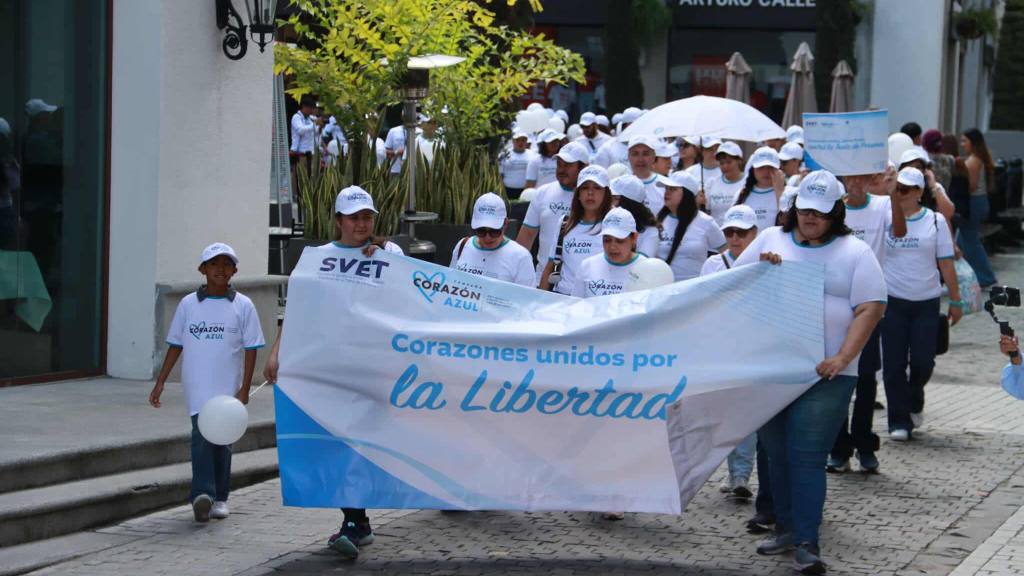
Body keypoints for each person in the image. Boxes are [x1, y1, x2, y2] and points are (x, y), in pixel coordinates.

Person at [735, 170, 887, 573]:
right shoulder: (770, 240)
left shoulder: (856, 252)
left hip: (827, 374)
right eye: (804, 210)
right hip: (773, 367)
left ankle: (807, 539)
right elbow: (730, 286)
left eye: (819, 212)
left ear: (836, 212)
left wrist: (842, 357)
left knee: (805, 454)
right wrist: (760, 270)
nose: (810, 218)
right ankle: (784, 525)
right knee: (775, 450)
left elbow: (871, 308)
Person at [263, 185, 403, 559]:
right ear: (338, 220)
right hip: (332, 368)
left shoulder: (390, 254)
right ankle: (354, 521)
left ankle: (360, 519)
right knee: (342, 441)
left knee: (370, 443)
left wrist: (390, 258)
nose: (362, 224)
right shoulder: (315, 258)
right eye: (354, 217)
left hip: (376, 367)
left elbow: (413, 297)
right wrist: (277, 352)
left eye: (367, 217)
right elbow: (297, 310)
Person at [149, 243, 265, 523]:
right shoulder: (188, 304)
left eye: (227, 264)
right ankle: (203, 494)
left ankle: (220, 497)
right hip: (198, 385)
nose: (221, 269)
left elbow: (252, 349)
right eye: (214, 264)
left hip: (227, 386)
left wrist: (245, 388)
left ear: (234, 270)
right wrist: (161, 381)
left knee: (222, 440)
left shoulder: (243, 305)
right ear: (203, 270)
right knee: (201, 436)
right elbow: (175, 345)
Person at [826, 172, 907, 474]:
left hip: (869, 305)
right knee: (838, 376)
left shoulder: (883, 204)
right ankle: (838, 447)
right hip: (837, 306)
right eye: (851, 179)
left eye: (863, 178)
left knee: (866, 379)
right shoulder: (835, 210)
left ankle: (863, 443)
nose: (856, 184)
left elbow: (898, 232)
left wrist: (895, 195)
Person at [882, 167, 965, 442]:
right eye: (897, 188)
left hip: (926, 302)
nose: (900, 194)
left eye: (905, 189)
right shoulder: (884, 216)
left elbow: (945, 262)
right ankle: (899, 420)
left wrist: (955, 299)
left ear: (918, 192)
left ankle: (914, 397)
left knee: (922, 362)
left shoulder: (936, 221)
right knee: (893, 364)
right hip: (892, 300)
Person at [698, 205, 762, 501]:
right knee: (722, 414)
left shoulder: (766, 261)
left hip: (752, 349)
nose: (735, 238)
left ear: (754, 234)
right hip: (718, 347)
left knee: (745, 412)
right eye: (730, 232)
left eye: (742, 233)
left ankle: (740, 474)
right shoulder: (713, 264)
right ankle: (731, 468)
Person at [517, 142, 590, 281]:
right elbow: (527, 234)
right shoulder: (542, 193)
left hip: (580, 284)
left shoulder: (595, 198)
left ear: (584, 167)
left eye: (568, 165)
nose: (562, 170)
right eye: (559, 164)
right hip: (543, 280)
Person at [539, 165, 613, 295]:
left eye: (597, 187)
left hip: (597, 300)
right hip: (564, 298)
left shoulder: (613, 223)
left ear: (606, 193)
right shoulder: (565, 222)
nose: (590, 193)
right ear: (578, 194)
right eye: (585, 188)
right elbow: (550, 265)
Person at [451, 193, 535, 287]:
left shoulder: (521, 256)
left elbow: (527, 298)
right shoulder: (463, 245)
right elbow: (450, 284)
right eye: (481, 231)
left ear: (505, 224)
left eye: (494, 231)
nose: (488, 237)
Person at [656, 170, 726, 281]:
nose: (667, 192)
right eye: (666, 188)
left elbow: (726, 252)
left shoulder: (706, 222)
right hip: (663, 289)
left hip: (695, 291)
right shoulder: (658, 220)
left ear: (687, 194)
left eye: (673, 189)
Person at [572, 207, 646, 298]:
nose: (612, 247)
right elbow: (575, 306)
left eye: (619, 240)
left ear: (634, 238)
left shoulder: (646, 268)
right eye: (607, 240)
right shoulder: (587, 265)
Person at [959, 128, 998, 287]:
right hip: (979, 201)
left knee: (970, 240)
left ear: (972, 143)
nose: (962, 145)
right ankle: (974, 274)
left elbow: (971, 186)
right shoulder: (978, 158)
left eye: (964, 141)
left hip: (973, 202)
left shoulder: (973, 161)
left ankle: (985, 276)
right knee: (963, 239)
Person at [733, 147, 785, 233]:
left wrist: (779, 192)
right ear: (753, 169)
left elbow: (788, 222)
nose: (766, 172)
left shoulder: (789, 193)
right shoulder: (740, 194)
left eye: (770, 167)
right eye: (761, 167)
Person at [609, 174, 660, 257]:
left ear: (628, 203)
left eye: (614, 198)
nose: (609, 203)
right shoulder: (606, 222)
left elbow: (641, 265)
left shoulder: (650, 232)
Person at [702, 141, 746, 224]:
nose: (725, 166)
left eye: (729, 162)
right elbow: (707, 212)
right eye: (722, 163)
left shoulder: (747, 182)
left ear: (739, 161)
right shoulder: (712, 183)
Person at [626, 135, 664, 215]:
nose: (640, 159)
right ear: (628, 156)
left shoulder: (666, 186)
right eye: (635, 154)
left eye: (645, 154)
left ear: (654, 157)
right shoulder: (618, 186)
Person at [500, 131, 535, 200]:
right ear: (513, 141)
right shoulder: (504, 154)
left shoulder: (532, 155)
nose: (520, 143)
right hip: (507, 190)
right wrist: (501, 191)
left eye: (523, 140)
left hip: (526, 191)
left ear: (526, 141)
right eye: (517, 140)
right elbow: (500, 175)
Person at [290, 95, 318, 171]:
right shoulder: (297, 117)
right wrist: (314, 125)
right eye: (310, 108)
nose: (312, 111)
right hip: (299, 152)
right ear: (304, 107)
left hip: (310, 152)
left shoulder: (310, 119)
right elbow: (300, 130)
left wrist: (319, 125)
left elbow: (315, 132)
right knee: (299, 177)